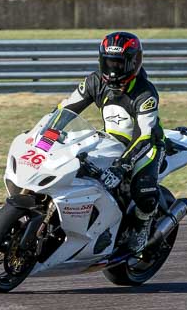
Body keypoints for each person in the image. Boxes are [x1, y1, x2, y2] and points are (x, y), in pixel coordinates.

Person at [57, 31, 165, 252]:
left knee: (142, 189)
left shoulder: (145, 94)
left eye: (119, 63)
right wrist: (46, 131)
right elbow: (67, 109)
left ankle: (143, 225)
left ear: (133, 62)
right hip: (110, 141)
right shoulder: (94, 81)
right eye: (108, 62)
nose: (113, 69)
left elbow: (145, 136)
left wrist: (122, 166)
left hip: (146, 147)